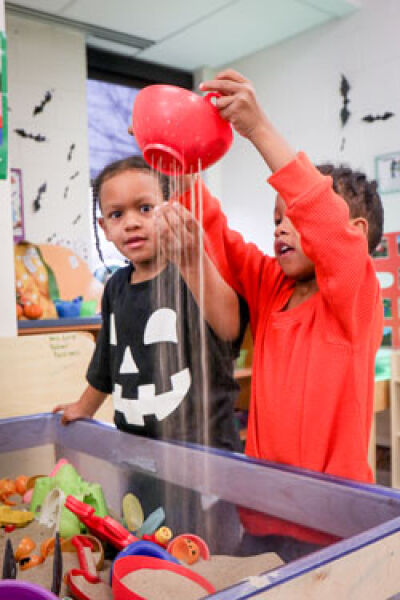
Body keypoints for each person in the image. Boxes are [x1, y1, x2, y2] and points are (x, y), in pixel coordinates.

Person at [156, 70, 384, 554]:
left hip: (332, 523)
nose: (281, 227)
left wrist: (258, 129)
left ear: (355, 233)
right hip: (260, 512)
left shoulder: (354, 297)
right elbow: (223, 238)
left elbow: (321, 213)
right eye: (276, 217)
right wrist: (176, 163)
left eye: (293, 218)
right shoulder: (270, 286)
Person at [53, 155, 248, 453]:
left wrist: (194, 261)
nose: (131, 223)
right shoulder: (115, 287)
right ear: (104, 227)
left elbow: (231, 328)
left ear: (174, 211)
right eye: (117, 215)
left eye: (145, 209)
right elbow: (107, 359)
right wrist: (84, 407)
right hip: (137, 449)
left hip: (204, 453)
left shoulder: (194, 272)